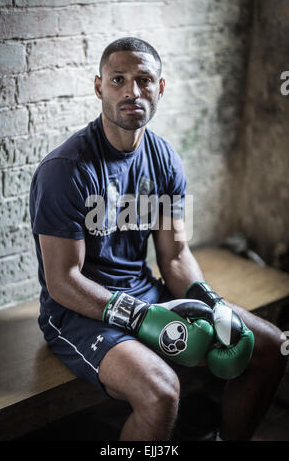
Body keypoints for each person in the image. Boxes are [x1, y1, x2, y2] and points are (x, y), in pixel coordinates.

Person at [29, 37, 287, 441]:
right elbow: (63, 280)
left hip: (149, 296)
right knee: (161, 393)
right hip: (79, 313)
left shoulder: (164, 159)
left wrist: (212, 305)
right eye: (118, 79)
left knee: (268, 346)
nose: (132, 91)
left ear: (160, 88)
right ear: (99, 87)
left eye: (144, 79)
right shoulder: (65, 170)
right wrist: (135, 316)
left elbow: (175, 256)